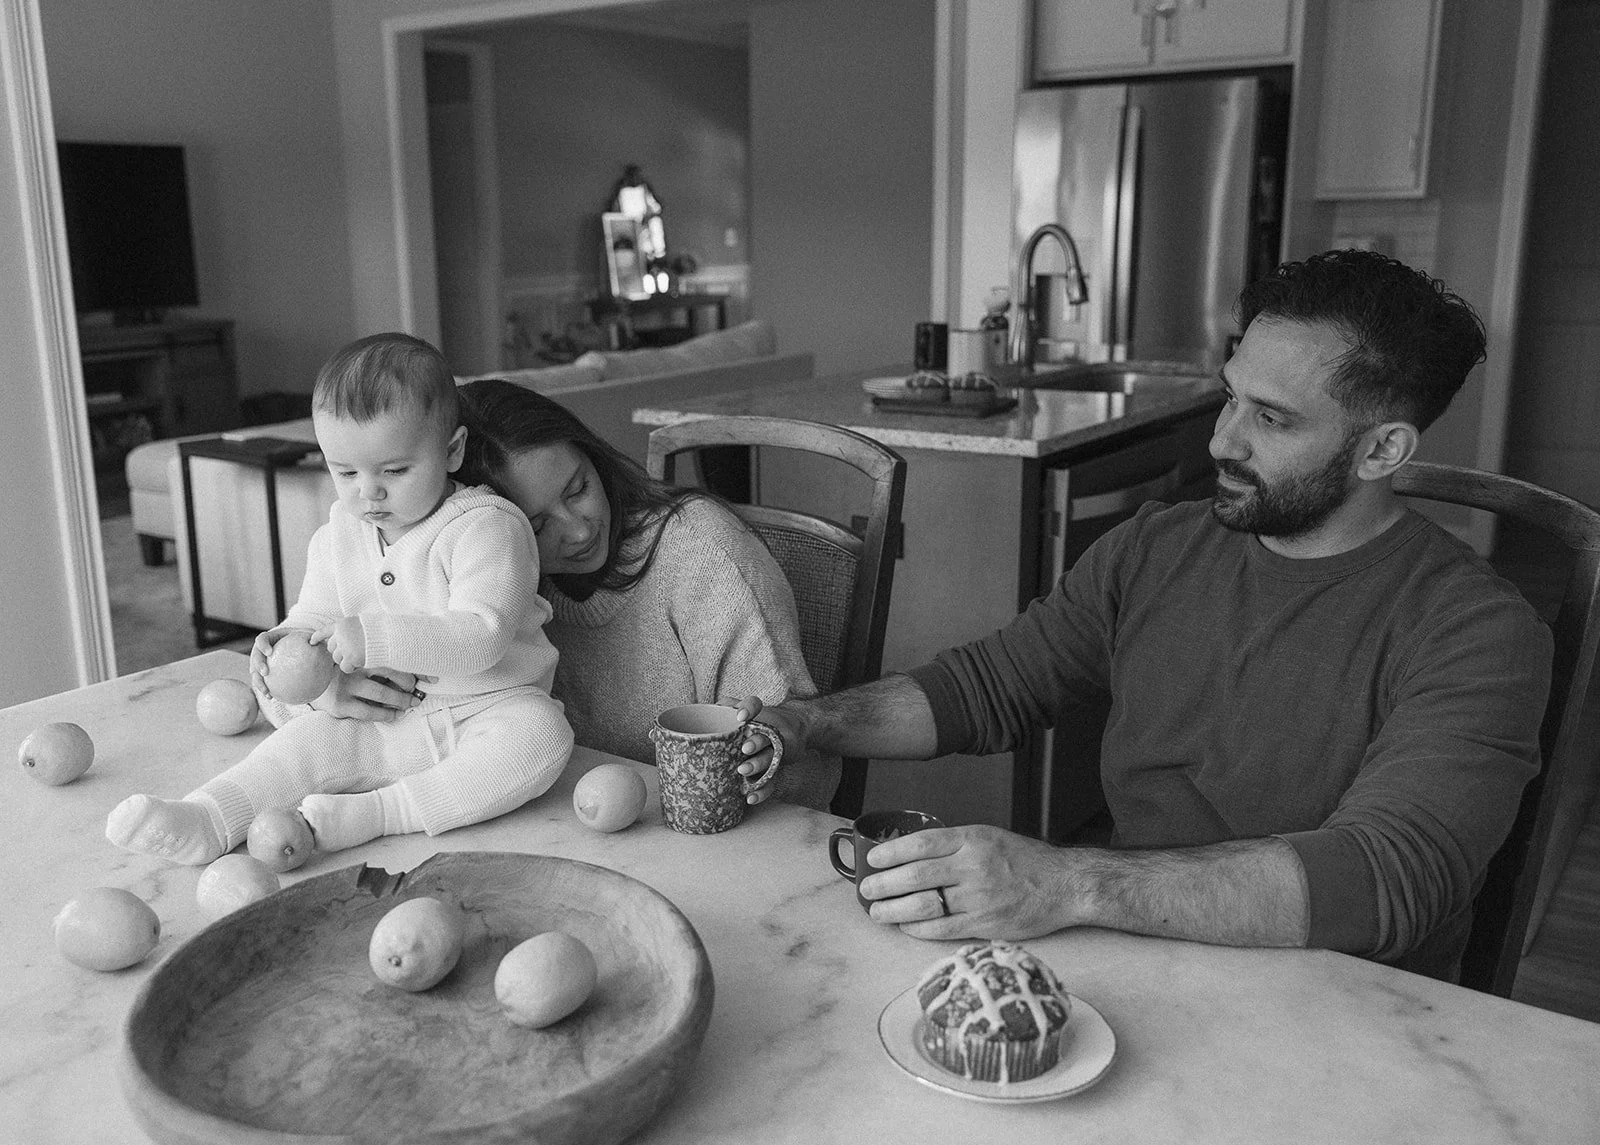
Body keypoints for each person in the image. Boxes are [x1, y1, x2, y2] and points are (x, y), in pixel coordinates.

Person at [737, 250, 1553, 981]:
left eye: (1270, 418)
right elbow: (989, 686)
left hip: (1342, 1008)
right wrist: (813, 722)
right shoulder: (1160, 547)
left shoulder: (1480, 630)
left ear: (1383, 451)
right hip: (1135, 962)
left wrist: (1066, 881)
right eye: (1229, 399)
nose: (1222, 442)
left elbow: (1383, 879)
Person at [106, 334, 574, 864]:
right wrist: (286, 646)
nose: (366, 493)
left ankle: (381, 813)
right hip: (379, 719)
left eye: (393, 471)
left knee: (542, 738)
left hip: (485, 711)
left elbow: (482, 635)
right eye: (344, 472)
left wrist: (371, 637)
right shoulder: (339, 533)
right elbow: (316, 616)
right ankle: (209, 816)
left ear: (452, 452)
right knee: (300, 745)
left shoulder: (485, 528)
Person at [453, 377, 838, 811]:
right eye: (538, 526)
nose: (579, 531)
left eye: (578, 489)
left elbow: (801, 777)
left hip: (720, 840)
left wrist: (764, 754)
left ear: (593, 456)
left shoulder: (701, 551)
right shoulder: (482, 598)